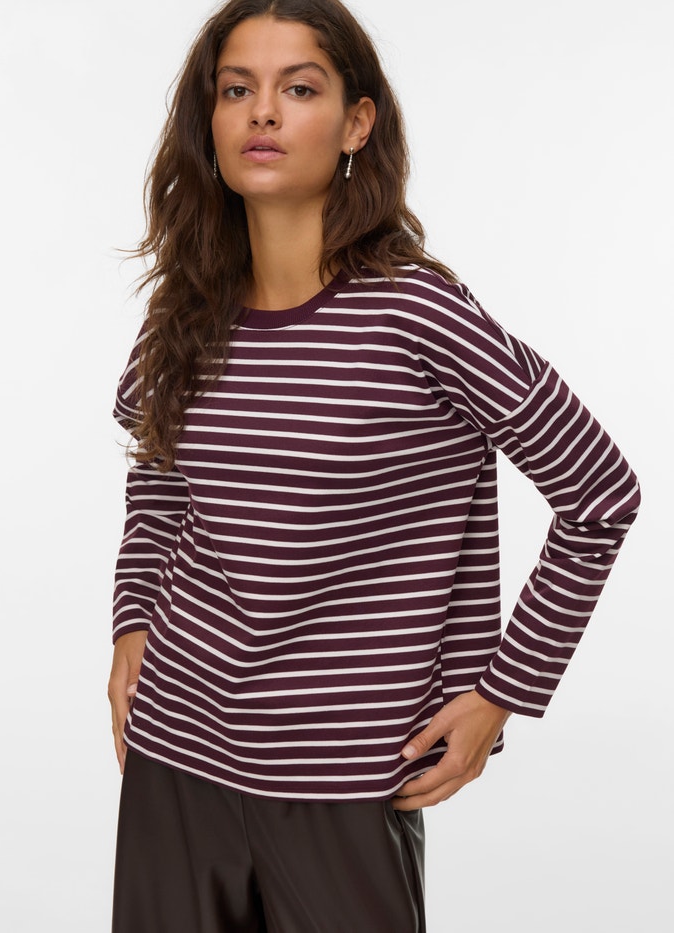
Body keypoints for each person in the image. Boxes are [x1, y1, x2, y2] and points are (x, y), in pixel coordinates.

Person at [107, 1, 640, 930]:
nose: (262, 112)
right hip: (175, 752)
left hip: (348, 776)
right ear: (210, 122)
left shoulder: (418, 314)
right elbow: (158, 477)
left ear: (357, 123)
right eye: (236, 90)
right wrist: (132, 622)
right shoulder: (185, 312)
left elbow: (601, 492)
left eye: (298, 89)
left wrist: (503, 692)